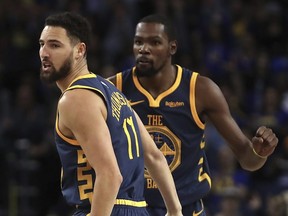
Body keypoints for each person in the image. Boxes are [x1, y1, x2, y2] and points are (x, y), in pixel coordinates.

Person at [107, 14, 279, 216]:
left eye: (154, 42)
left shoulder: (200, 90)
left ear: (172, 47)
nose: (144, 49)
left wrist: (259, 153)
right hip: (132, 208)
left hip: (187, 209)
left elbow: (247, 159)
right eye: (138, 42)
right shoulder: (112, 89)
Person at [38, 12, 183, 216]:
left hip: (105, 208)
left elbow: (110, 175)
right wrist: (175, 210)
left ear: (79, 50)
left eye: (54, 45)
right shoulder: (112, 92)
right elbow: (154, 156)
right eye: (42, 44)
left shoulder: (76, 98)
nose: (44, 52)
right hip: (139, 210)